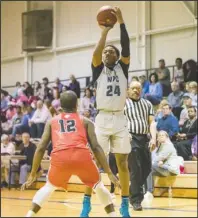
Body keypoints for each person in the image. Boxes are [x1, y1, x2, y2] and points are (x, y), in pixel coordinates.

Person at [21, 91, 119, 217]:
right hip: (81, 157)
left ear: (61, 105)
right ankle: (113, 216)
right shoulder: (86, 121)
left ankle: (29, 215)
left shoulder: (52, 122)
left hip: (60, 158)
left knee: (49, 186)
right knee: (98, 186)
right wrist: (109, 172)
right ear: (76, 105)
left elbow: (40, 148)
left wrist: (33, 173)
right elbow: (96, 147)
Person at [80, 7, 131, 217]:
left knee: (122, 163)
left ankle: (125, 205)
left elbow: (126, 46)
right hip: (101, 118)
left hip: (119, 118)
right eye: (105, 51)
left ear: (117, 56)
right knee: (94, 163)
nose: (107, 52)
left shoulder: (123, 67)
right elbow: (95, 53)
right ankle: (86, 203)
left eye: (111, 51)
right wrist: (104, 32)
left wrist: (121, 22)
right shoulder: (98, 69)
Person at [124, 81, 156, 211]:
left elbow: (152, 122)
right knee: (136, 168)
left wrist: (154, 138)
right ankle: (136, 200)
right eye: (133, 88)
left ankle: (132, 190)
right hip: (130, 137)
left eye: (138, 88)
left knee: (147, 167)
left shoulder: (147, 104)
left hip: (144, 138)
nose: (136, 91)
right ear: (128, 90)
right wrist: (124, 133)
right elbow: (119, 120)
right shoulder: (123, 104)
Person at [144, 131, 182, 202]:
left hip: (171, 169)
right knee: (148, 170)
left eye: (163, 135)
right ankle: (148, 191)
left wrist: (159, 160)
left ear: (167, 137)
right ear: (157, 138)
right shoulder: (161, 146)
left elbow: (158, 159)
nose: (161, 136)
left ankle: (149, 190)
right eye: (159, 135)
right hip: (163, 168)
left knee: (150, 165)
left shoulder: (168, 145)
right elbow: (156, 159)